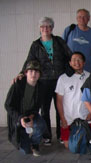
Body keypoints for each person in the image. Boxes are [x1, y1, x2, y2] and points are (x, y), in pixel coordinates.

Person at [13, 17, 72, 145]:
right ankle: (47, 136)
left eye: (48, 26)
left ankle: (61, 135)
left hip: (59, 80)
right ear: (40, 29)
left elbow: (69, 56)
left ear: (52, 28)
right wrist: (21, 73)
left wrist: (74, 71)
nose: (45, 29)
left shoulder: (59, 41)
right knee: (44, 109)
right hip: (43, 81)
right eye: (43, 27)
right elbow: (29, 61)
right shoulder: (36, 45)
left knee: (60, 108)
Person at [5, 61, 46, 156]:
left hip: (30, 114)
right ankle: (22, 135)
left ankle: (34, 143)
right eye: (30, 71)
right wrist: (20, 118)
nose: (34, 74)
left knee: (41, 125)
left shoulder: (41, 87)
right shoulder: (17, 84)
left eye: (36, 72)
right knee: (26, 151)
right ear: (25, 73)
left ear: (40, 74)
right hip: (17, 117)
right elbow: (8, 105)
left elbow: (37, 107)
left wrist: (31, 117)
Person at [55, 52, 91, 149]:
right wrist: (62, 119)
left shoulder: (90, 76)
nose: (77, 62)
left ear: (84, 62)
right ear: (70, 63)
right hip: (69, 119)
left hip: (86, 118)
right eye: (74, 60)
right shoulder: (63, 78)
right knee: (69, 146)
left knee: (87, 144)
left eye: (79, 59)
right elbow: (59, 101)